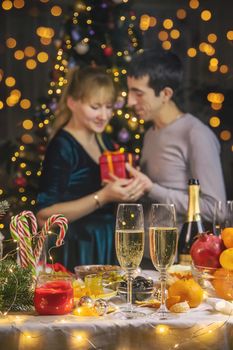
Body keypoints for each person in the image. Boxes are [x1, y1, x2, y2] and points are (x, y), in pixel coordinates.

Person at [36, 66, 144, 271]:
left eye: (109, 107)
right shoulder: (62, 147)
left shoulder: (102, 139)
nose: (104, 115)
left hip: (105, 243)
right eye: (95, 107)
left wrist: (131, 187)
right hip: (77, 250)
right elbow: (44, 217)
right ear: (72, 102)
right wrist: (102, 196)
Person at [125, 49, 226, 258]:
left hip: (179, 261)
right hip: (143, 258)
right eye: (129, 92)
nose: (130, 102)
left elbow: (216, 209)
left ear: (166, 94)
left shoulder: (196, 134)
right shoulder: (151, 134)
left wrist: (151, 188)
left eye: (138, 93)